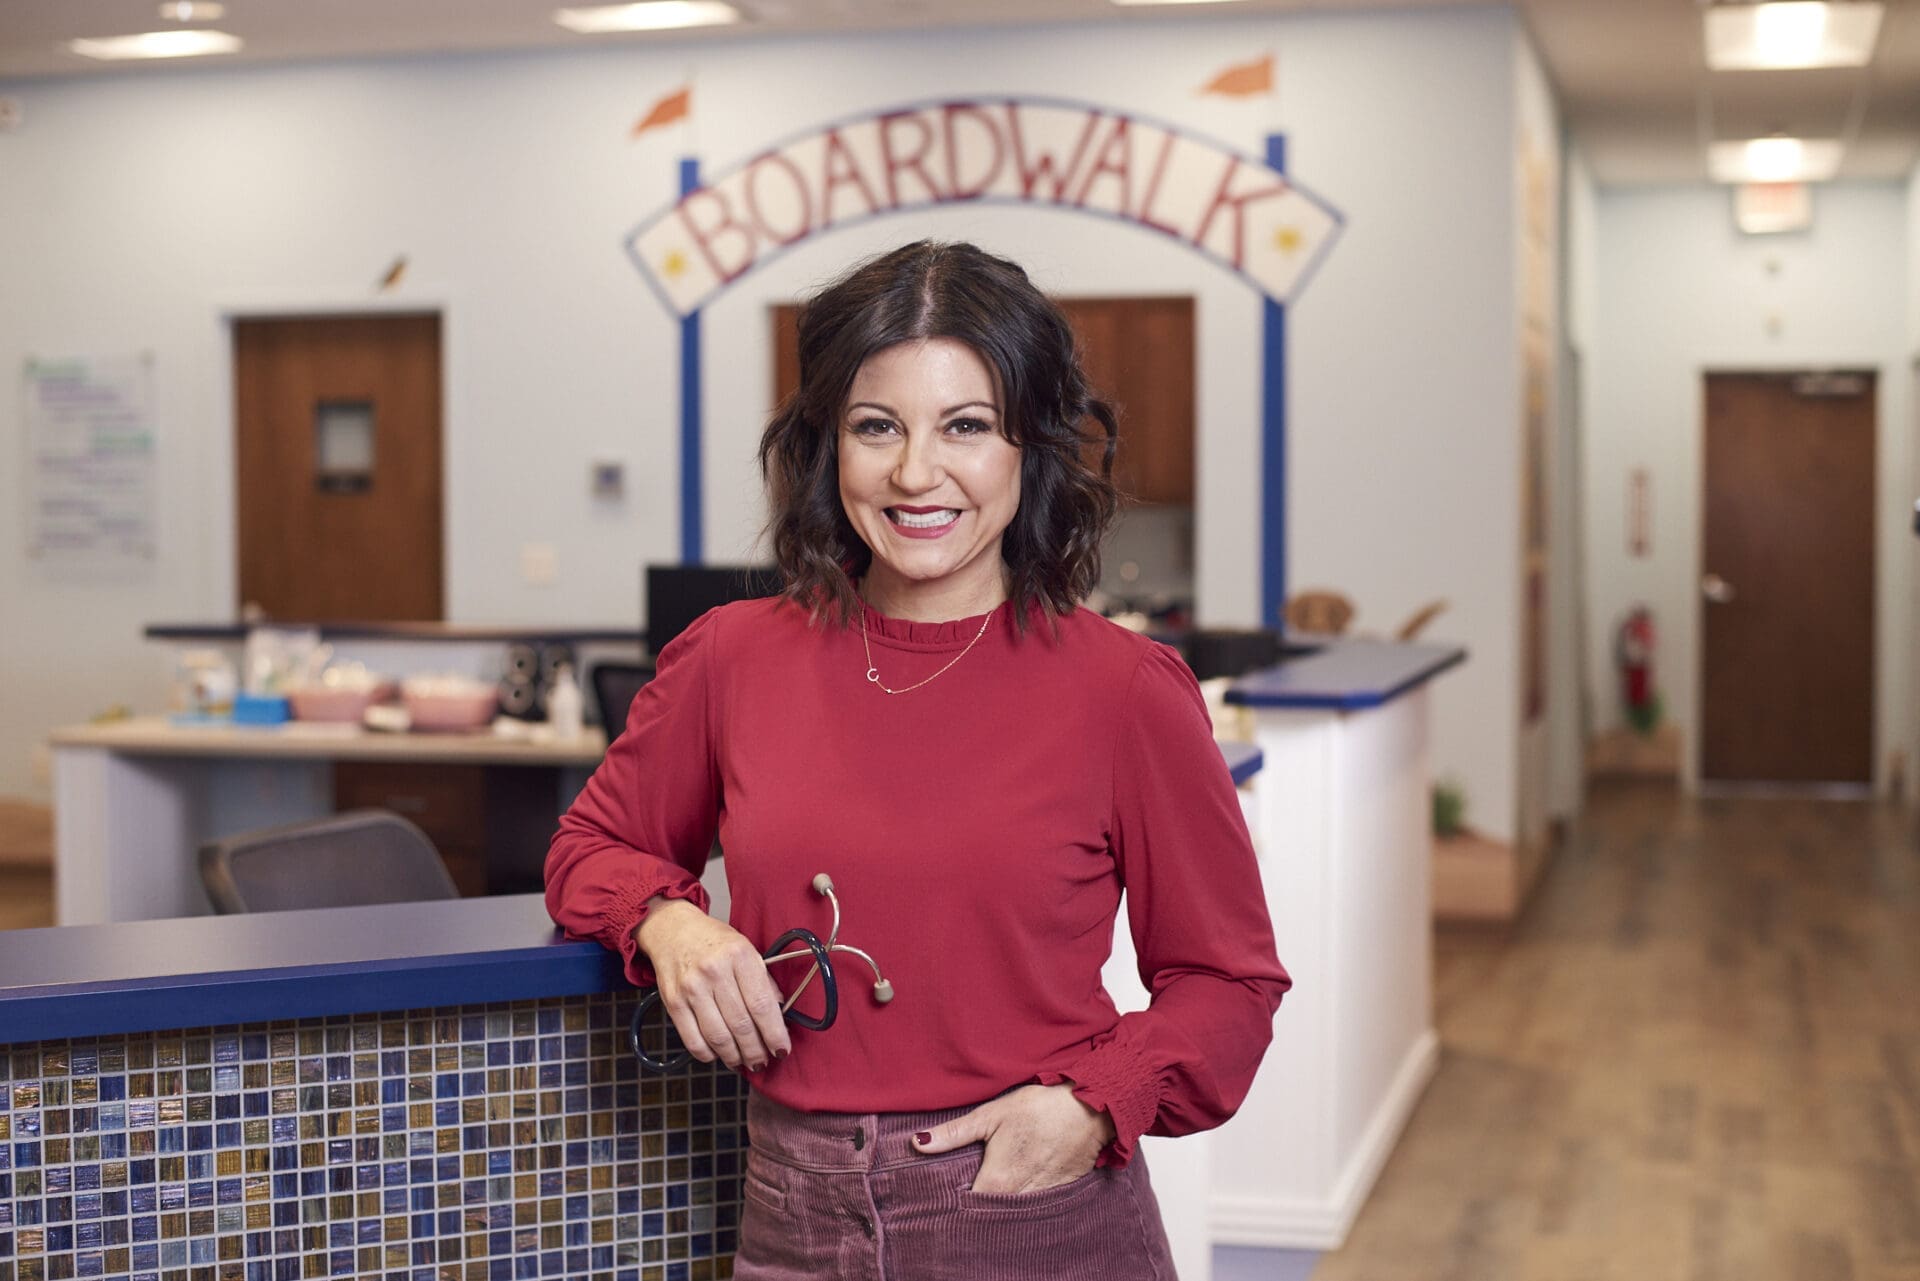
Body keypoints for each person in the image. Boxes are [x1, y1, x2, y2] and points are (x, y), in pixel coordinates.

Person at [546, 240, 1290, 1279]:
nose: (914, 473)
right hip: (792, 1214)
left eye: (967, 427)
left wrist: (1092, 1103)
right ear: (827, 448)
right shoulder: (731, 656)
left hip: (1034, 1212)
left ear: (1030, 447)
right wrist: (666, 920)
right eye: (875, 427)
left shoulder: (1124, 691)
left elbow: (1227, 982)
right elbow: (592, 846)